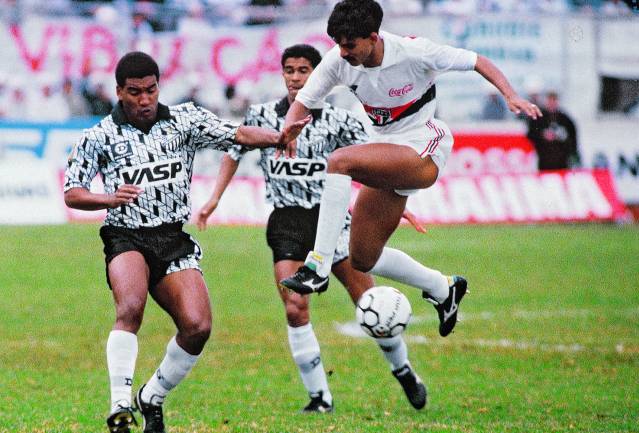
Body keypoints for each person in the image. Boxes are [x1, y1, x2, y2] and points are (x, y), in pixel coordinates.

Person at [63, 51, 309, 433]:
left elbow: (236, 134)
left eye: (150, 90)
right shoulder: (98, 137)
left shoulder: (185, 120)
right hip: (126, 233)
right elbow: (72, 193)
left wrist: (276, 137)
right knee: (130, 307)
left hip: (173, 238)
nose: (144, 100)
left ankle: (152, 397)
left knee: (197, 326)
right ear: (119, 92)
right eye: (134, 92)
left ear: (159, 86)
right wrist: (109, 199)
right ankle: (120, 406)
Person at [197, 44, 436, 412]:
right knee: (295, 308)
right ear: (282, 74)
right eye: (289, 70)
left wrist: (395, 204)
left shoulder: (339, 120)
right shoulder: (261, 115)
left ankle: (403, 370)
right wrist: (213, 198)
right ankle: (319, 396)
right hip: (287, 221)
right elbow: (233, 152)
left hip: (332, 223)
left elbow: (378, 161)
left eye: (304, 70)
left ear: (317, 74)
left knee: (369, 303)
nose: (296, 78)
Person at [279, 0, 541, 336]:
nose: (342, 53)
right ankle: (444, 287)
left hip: (423, 149)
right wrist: (290, 128)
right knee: (362, 258)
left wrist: (510, 95)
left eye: (349, 45)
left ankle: (316, 265)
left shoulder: (414, 52)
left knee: (339, 161)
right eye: (338, 45)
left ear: (373, 37)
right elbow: (302, 103)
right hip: (387, 153)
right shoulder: (338, 60)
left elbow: (477, 61)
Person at [527, 91, 580, 171]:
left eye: (554, 101)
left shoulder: (565, 119)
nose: (552, 104)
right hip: (544, 159)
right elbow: (531, 134)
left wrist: (562, 138)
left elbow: (573, 136)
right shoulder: (538, 118)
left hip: (562, 160)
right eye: (550, 101)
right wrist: (543, 135)